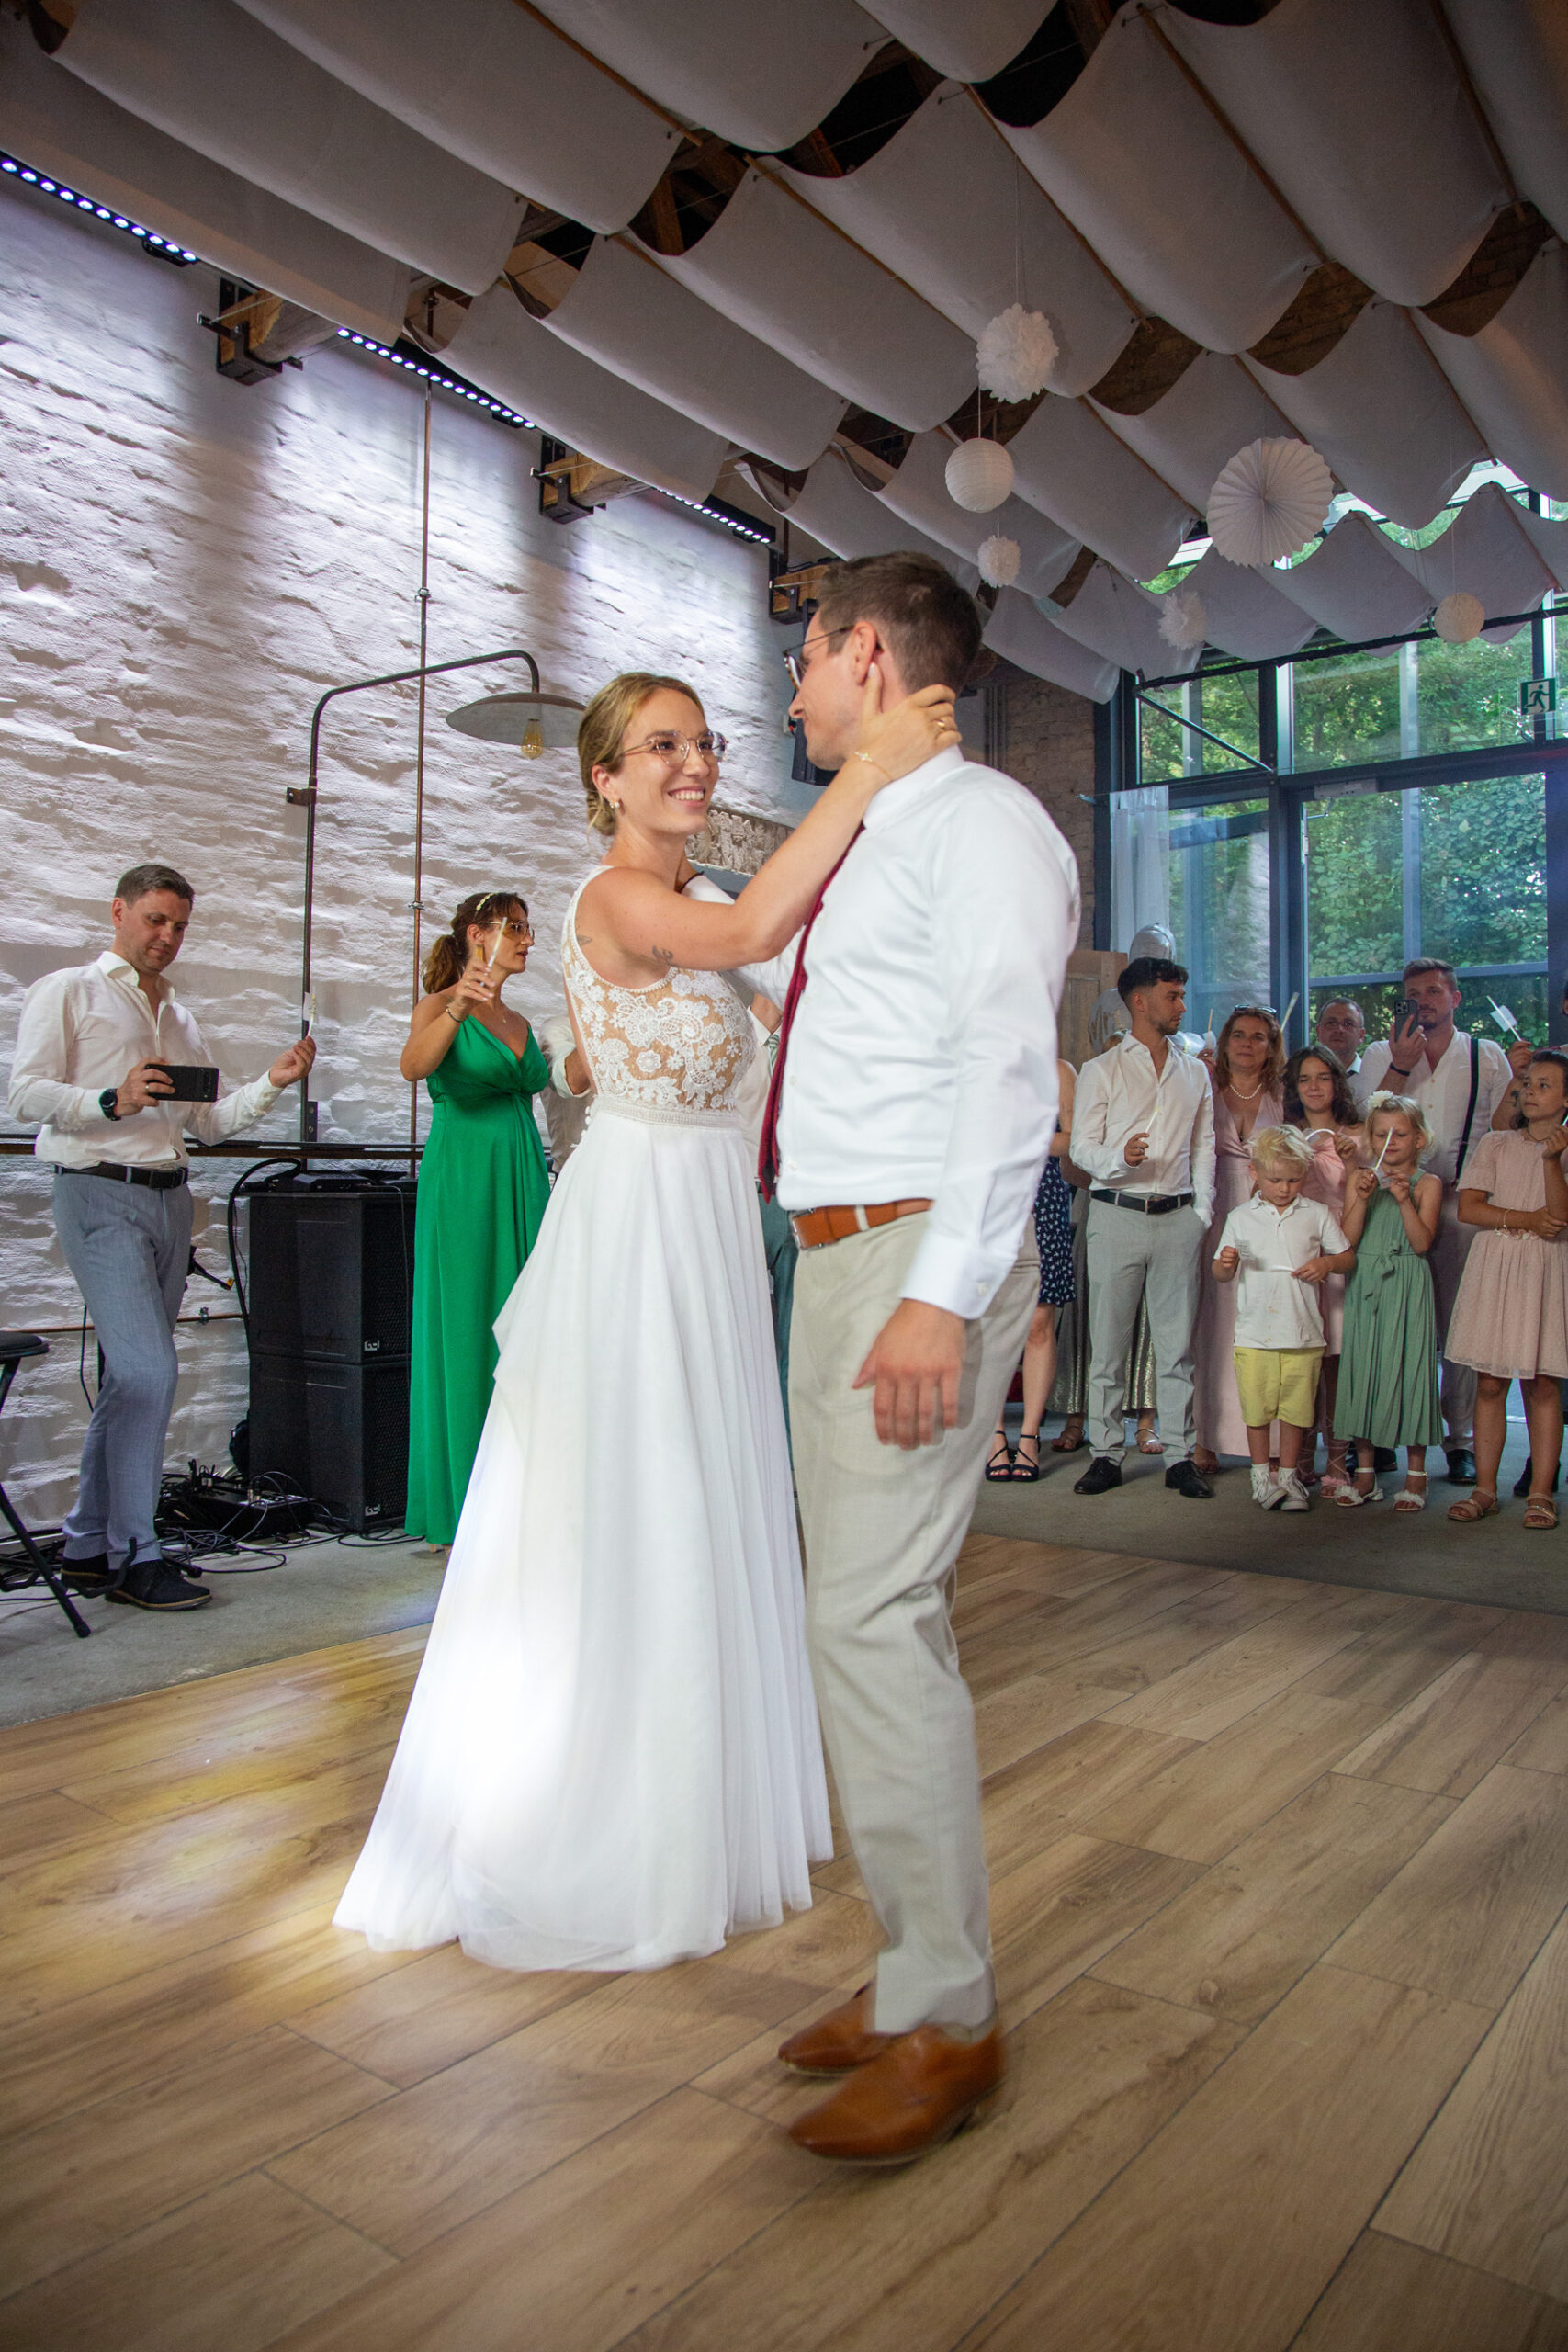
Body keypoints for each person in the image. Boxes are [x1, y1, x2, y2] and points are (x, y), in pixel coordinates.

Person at [333, 662, 955, 1979]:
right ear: (604, 777)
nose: (694, 763)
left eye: (703, 742)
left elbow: (791, 984)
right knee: (635, 1498)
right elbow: (754, 937)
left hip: (711, 1222)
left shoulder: (709, 902)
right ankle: (601, 1816)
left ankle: (693, 1807)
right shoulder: (613, 897)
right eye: (661, 747)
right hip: (634, 1222)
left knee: (704, 1494)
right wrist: (866, 763)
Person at [756, 552, 1077, 2167]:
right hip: (836, 1254)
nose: (793, 687)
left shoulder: (983, 824)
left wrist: (940, 1296)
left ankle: (947, 2015)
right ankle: (907, 1973)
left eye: (805, 659)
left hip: (909, 1255)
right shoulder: (868, 832)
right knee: (858, 1615)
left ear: (865, 653)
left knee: (872, 1614)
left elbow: (1011, 1073)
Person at [7, 863, 314, 1611]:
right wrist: (111, 1098)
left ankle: (87, 1546)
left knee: (130, 1377)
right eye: (155, 920)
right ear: (119, 912)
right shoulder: (69, 991)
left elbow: (207, 1123)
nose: (167, 936)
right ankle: (137, 1556)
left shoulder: (180, 1020)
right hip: (97, 1192)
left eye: (179, 925)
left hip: (169, 1201)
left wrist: (272, 1082)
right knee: (149, 1373)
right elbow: (26, 1094)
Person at [401, 891, 552, 1548]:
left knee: (532, 1322)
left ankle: (528, 1499)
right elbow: (413, 1066)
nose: (527, 940)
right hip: (464, 1176)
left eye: (528, 929)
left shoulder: (519, 1017)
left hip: (522, 1169)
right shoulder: (437, 1005)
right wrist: (458, 1006)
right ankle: (465, 1504)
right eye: (515, 927)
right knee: (468, 1324)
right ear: (476, 934)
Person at [1357, 957, 1511, 1484]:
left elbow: (1503, 1129)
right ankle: (1386, 1431)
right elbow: (1364, 1125)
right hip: (1391, 1201)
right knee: (1394, 1317)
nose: (1423, 1001)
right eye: (1414, 993)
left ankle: (1459, 1439)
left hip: (1462, 1202)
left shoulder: (1485, 1054)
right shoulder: (1379, 1052)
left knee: (1460, 1324)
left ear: (1454, 998)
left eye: (1433, 991)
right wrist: (1401, 1065)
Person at [1069, 956, 1216, 1499]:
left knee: (1177, 1349)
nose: (1182, 1006)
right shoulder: (1101, 1070)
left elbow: (1204, 1147)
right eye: (1172, 996)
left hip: (1178, 1217)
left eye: (1181, 995)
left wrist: (1202, 1214)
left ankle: (1179, 1456)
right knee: (1108, 1346)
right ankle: (1106, 1454)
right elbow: (1081, 1148)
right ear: (1140, 1001)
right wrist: (1119, 1158)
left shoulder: (1195, 1071)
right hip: (1116, 1213)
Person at [1445, 1050, 1568, 1529]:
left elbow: (1559, 1219)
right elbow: (1469, 1208)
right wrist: (1524, 1220)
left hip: (1545, 1265)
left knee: (1542, 1382)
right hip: (1496, 1263)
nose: (1530, 1091)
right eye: (1528, 1083)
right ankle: (1485, 1488)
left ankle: (1541, 1491)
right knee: (1491, 1381)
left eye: (1544, 1085)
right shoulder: (1496, 1143)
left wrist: (1552, 1160)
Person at [1211, 1125, 1354, 1511]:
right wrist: (1227, 1263)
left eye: (1293, 1180)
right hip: (1254, 1335)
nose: (1284, 1188)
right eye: (1275, 1180)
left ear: (1303, 1176)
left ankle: (1289, 1478)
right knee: (1257, 1412)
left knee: (1296, 1412)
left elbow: (1346, 1257)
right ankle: (1262, 1477)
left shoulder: (1317, 1214)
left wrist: (1326, 1264)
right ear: (1254, 1173)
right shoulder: (1241, 1217)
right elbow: (1220, 1273)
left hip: (1303, 1333)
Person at [1334, 1094, 1443, 1510]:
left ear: (1419, 1139)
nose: (1390, 1142)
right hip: (1366, 1282)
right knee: (1364, 1369)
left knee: (1411, 1368)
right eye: (1381, 1135)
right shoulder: (1361, 1179)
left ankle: (1416, 1475)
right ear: (1370, 1139)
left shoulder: (1428, 1184)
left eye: (1400, 1134)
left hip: (1408, 1282)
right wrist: (1361, 1197)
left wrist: (1403, 1200)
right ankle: (1365, 1473)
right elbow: (1348, 1239)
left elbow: (1422, 1243)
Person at [1192, 1006, 1286, 1476]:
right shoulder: (1205, 1087)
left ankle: (1272, 1441)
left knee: (1266, 1319)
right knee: (1213, 1324)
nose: (1248, 1044)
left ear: (1271, 1047)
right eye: (1239, 1035)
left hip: (1270, 1212)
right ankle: (1205, 1437)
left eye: (1258, 1036)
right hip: (1215, 1206)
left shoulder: (1284, 1095)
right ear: (1225, 1042)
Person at [987, 1059, 1076, 1481]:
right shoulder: (978, 1063)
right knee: (989, 1324)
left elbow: (1072, 1141)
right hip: (987, 1199)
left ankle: (1029, 1436)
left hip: (1044, 1197)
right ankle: (992, 1436)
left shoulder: (1059, 1071)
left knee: (1040, 1322)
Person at [1282, 1044, 1362, 1497]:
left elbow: (1366, 1194)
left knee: (1337, 1362)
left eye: (1323, 1077)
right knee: (1304, 1361)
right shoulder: (1286, 1135)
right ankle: (1301, 1456)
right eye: (1304, 1079)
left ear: (1337, 1083)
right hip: (1299, 1248)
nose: (1314, 1087)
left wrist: (1351, 1161)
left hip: (1342, 1245)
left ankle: (1338, 1457)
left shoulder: (1357, 1134)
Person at [1087, 922, 1204, 1058]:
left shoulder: (1106, 998)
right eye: (1172, 998)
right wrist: (1198, 1042)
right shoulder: (1142, 1000)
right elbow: (1157, 1043)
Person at [1314, 998, 1366, 1085]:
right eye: (1331, 1023)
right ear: (1318, 1032)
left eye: (1348, 1024)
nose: (1339, 1029)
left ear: (1361, 1035)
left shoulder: (1374, 1077)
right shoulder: (1299, 1077)